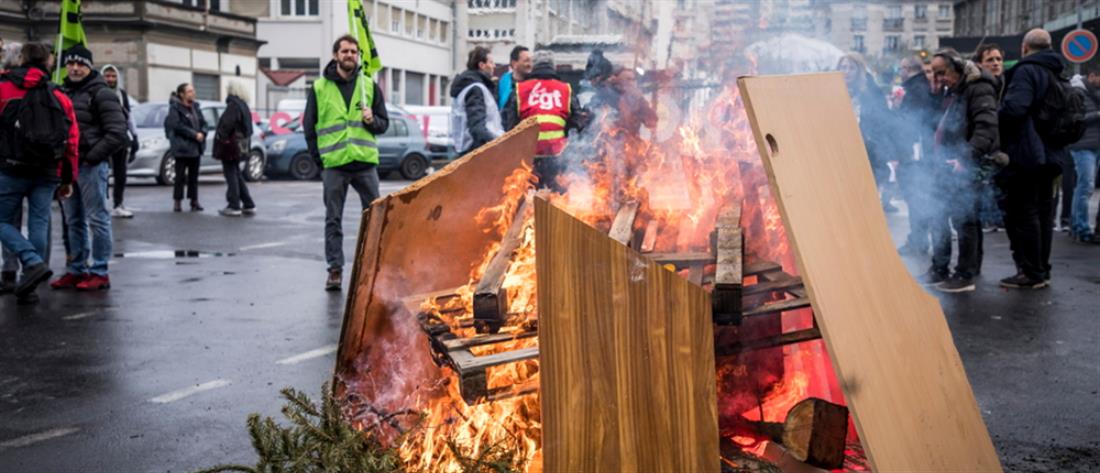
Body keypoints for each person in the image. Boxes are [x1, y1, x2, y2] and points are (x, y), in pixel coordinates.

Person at [303, 35, 389, 291]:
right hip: (335, 166)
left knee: (376, 218)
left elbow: (383, 124)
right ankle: (335, 270)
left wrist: (372, 120)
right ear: (335, 55)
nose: (349, 55)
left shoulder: (369, 86)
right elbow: (309, 127)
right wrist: (321, 162)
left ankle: (375, 267)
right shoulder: (319, 88)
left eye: (353, 51)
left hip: (364, 164)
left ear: (358, 56)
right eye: (345, 51)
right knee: (333, 219)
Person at [0, 42, 80, 303]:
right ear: (47, 62)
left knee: (2, 221)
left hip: (11, 168)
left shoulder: (4, 87)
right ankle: (29, 284)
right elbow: (72, 141)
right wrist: (68, 178)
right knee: (39, 223)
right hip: (47, 171)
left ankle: (32, 263)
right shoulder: (59, 95)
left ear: (21, 59)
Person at [49, 45, 126, 292]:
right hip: (67, 167)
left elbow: (117, 133)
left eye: (80, 64)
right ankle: (77, 269)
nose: (74, 68)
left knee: (97, 219)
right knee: (73, 221)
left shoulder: (101, 93)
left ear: (89, 66)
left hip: (90, 167)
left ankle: (100, 271)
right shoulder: (62, 92)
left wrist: (91, 158)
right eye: (70, 63)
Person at [923, 50, 1000, 293]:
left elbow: (986, 127)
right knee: (939, 216)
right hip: (945, 163)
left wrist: (966, 158)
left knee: (964, 219)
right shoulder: (954, 89)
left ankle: (965, 274)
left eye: (942, 72)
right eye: (934, 73)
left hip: (964, 164)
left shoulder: (979, 88)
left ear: (957, 68)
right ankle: (940, 268)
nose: (939, 78)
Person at [997, 29, 1068, 289]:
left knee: (1024, 213)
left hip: (1027, 154)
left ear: (1025, 47)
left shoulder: (1027, 70)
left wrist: (998, 114)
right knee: (1043, 213)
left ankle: (1031, 272)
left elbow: (1015, 109)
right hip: (1052, 152)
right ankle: (1041, 269)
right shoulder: (1056, 70)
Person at [501, 51, 584, 191]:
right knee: (557, 200)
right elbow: (578, 121)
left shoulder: (520, 89)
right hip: (558, 155)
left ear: (533, 67)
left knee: (527, 199)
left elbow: (510, 126)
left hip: (528, 158)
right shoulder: (565, 89)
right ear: (554, 66)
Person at [896, 55, 943, 258]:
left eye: (901, 68)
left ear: (907, 68)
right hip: (920, 152)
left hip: (916, 153)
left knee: (916, 198)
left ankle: (919, 240)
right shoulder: (919, 87)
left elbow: (912, 124)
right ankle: (918, 239)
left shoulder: (915, 90)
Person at [837, 53, 896, 214]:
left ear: (859, 71)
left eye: (851, 68)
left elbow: (882, 123)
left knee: (864, 201)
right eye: (843, 67)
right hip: (841, 153)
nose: (846, 71)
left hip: (867, 152)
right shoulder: (832, 92)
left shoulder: (870, 93)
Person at [101, 64, 139, 218]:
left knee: (120, 173)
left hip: (120, 138)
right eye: (107, 76)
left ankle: (118, 204)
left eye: (113, 76)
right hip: (102, 138)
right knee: (102, 173)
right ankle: (101, 205)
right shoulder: (97, 92)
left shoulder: (122, 94)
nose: (110, 79)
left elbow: (129, 116)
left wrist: (134, 136)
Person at [450, 47, 503, 157]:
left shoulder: (467, 86)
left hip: (470, 150)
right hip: (479, 151)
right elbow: (477, 127)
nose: (494, 66)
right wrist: (497, 145)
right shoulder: (476, 89)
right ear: (482, 65)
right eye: (491, 62)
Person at [214, 81, 256, 217]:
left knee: (230, 173)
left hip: (230, 146)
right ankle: (248, 203)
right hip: (240, 145)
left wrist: (221, 137)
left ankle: (234, 205)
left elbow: (226, 124)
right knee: (236, 173)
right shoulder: (244, 106)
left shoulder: (233, 106)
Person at [1067, 72, 1100, 243]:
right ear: (1093, 76)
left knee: (1085, 187)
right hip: (1082, 146)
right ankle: (1082, 229)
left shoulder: (1096, 93)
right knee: (1085, 187)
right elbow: (1074, 119)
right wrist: (1097, 115)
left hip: (1096, 145)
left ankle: (1077, 225)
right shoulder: (1076, 92)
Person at [165, 83, 207, 212]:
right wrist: (195, 135)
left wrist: (203, 133)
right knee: (180, 176)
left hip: (196, 147)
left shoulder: (196, 107)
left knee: (194, 177)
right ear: (182, 94)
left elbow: (203, 123)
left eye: (193, 91)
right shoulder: (175, 108)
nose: (193, 93)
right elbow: (177, 126)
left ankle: (194, 201)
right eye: (189, 91)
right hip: (182, 147)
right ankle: (177, 202)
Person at [497, 45, 531, 110]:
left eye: (531, 61)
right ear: (514, 63)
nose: (530, 64)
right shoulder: (502, 83)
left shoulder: (534, 82)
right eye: (526, 61)